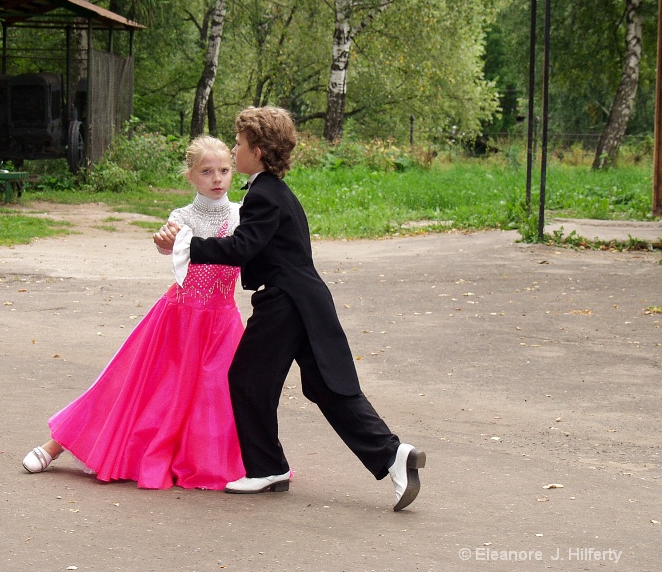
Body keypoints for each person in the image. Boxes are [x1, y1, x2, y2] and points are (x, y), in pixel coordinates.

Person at [154, 106, 425, 511]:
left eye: (239, 144)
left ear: (257, 152)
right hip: (305, 301)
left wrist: (188, 245)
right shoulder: (275, 191)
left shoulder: (263, 195)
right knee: (324, 386)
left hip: (285, 301)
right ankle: (392, 455)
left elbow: (242, 247)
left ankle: (266, 468)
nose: (234, 149)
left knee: (245, 380)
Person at [21, 136, 245, 490]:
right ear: (190, 176)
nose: (217, 179)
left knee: (219, 396)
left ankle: (221, 461)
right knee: (128, 385)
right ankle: (56, 445)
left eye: (224, 170)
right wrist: (164, 242)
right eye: (206, 171)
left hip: (221, 322)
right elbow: (169, 249)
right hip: (178, 319)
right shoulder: (182, 217)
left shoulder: (241, 214)